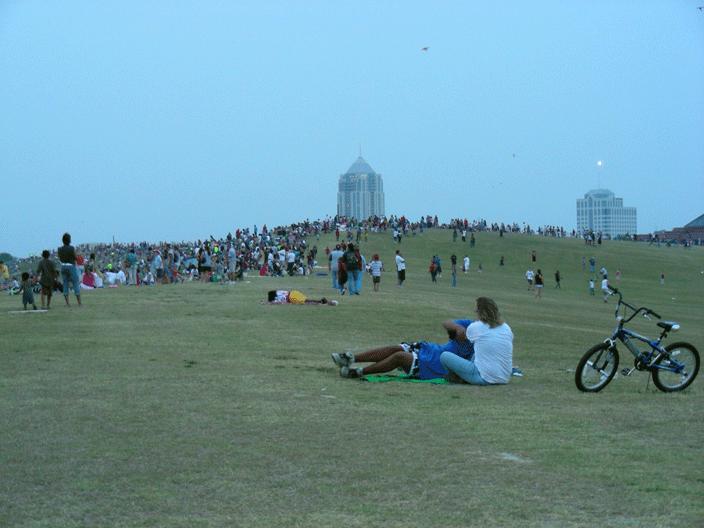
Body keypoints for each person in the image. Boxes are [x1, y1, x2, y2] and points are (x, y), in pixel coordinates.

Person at [333, 318, 475, 379]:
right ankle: (351, 359)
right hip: (432, 350)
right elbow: (446, 323)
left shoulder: (485, 342)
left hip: (437, 366)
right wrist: (457, 328)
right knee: (396, 348)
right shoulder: (471, 325)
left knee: (399, 357)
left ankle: (358, 372)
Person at [440, 297, 513, 385]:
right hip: (504, 379)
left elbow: (462, 337)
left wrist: (458, 329)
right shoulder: (506, 328)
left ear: (479, 311)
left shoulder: (476, 327)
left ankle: (456, 378)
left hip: (484, 378)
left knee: (444, 356)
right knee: (476, 354)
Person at [58, 232, 82, 306]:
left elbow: (60, 258)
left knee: (65, 283)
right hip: (71, 266)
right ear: (69, 240)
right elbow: (75, 258)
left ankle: (67, 303)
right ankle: (79, 303)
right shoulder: (71, 248)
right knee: (75, 283)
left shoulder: (59, 249)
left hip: (63, 266)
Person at [265, 290, 337, 305]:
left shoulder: (275, 299)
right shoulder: (278, 292)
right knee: (307, 300)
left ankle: (321, 302)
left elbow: (280, 302)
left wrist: (267, 302)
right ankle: (321, 301)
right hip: (294, 292)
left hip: (291, 297)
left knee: (306, 303)